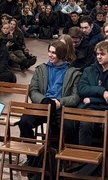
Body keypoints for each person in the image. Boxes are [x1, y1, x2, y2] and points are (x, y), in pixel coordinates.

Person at [20, 41, 81, 172]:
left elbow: (75, 97)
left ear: (62, 54)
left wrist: (60, 102)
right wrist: (44, 100)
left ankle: (65, 159)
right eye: (50, 52)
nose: (50, 55)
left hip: (60, 107)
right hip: (44, 104)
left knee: (69, 126)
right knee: (24, 122)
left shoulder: (73, 72)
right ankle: (33, 157)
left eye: (54, 52)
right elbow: (33, 91)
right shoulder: (41, 69)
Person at [77, 40, 108, 180]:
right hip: (93, 109)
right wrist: (102, 92)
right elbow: (82, 89)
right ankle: (85, 164)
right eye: (97, 54)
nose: (99, 57)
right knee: (85, 123)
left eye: (102, 54)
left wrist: (92, 99)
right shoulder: (90, 70)